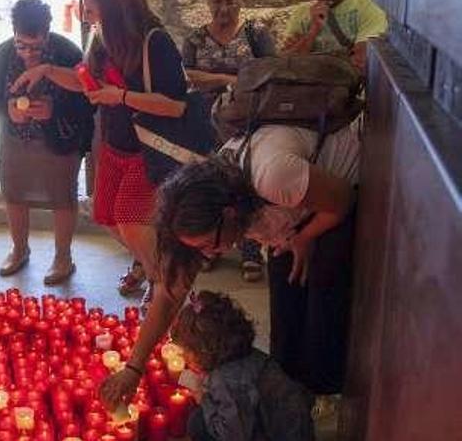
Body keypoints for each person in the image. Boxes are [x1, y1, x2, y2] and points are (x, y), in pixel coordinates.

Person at [101, 113, 360, 406]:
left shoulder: (272, 177)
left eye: (208, 244)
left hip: (338, 195)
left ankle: (325, 395)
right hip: (290, 212)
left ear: (229, 215)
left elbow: (343, 199)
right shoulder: (203, 209)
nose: (207, 255)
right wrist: (134, 369)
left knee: (322, 307)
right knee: (286, 304)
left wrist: (304, 237)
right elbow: (169, 295)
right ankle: (290, 391)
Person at [11, 0, 188, 305]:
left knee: (129, 220)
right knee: (106, 214)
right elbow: (83, 81)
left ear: (114, 6)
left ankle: (164, 283)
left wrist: (119, 96)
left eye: (91, 8)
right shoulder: (103, 37)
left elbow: (175, 106)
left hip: (146, 149)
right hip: (114, 145)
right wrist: (46, 70)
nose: (85, 15)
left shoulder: (155, 41)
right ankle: (150, 261)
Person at [0, 0, 94, 284]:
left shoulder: (67, 53)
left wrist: (54, 110)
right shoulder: (3, 53)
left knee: (61, 197)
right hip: (14, 139)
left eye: (36, 47)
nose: (28, 54)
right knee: (14, 194)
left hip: (59, 139)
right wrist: (7, 110)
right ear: (14, 33)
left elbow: (90, 102)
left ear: (47, 33)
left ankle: (63, 257)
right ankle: (19, 249)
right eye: (22, 45)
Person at [182, 0, 277, 282]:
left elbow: (270, 73)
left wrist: (221, 80)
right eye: (217, 2)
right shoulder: (195, 38)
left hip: (246, 123)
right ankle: (208, 247)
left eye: (231, 2)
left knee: (245, 183)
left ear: (241, 1)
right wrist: (228, 79)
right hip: (203, 124)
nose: (224, 9)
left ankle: (251, 251)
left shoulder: (255, 33)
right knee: (208, 185)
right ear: (208, 2)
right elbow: (186, 75)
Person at [173, 291, 314, 441]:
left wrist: (204, 399)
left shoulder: (227, 380)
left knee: (198, 423)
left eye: (187, 351)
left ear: (204, 350)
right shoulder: (243, 353)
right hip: (282, 424)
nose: (184, 358)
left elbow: (233, 436)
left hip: (275, 434)